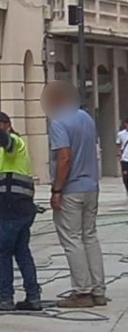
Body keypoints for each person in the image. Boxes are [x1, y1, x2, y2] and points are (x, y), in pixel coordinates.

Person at [41, 80, 106, 308]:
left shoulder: (59, 122)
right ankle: (98, 290)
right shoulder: (86, 118)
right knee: (90, 237)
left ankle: (82, 292)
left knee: (72, 240)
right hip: (91, 187)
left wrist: (57, 189)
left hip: (71, 189)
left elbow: (64, 157)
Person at [0, 112, 41, 311]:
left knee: (4, 253)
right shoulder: (7, 151)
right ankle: (33, 297)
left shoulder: (13, 143)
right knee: (22, 252)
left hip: (12, 210)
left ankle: (6, 298)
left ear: (8, 126)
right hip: (19, 207)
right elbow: (7, 183)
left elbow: (4, 139)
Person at [117, 118, 128, 196]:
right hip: (125, 159)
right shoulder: (121, 134)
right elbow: (118, 144)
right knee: (125, 177)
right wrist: (118, 154)